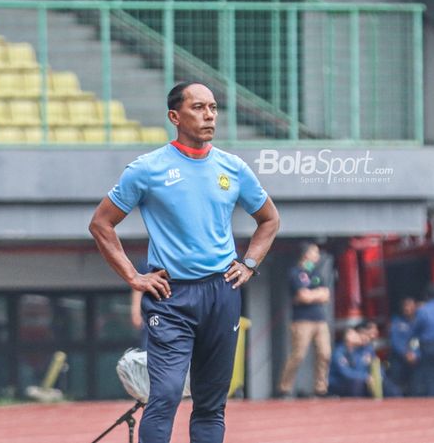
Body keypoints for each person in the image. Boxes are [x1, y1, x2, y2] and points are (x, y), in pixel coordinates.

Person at [89, 81, 280, 443]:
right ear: (174, 116)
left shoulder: (233, 168)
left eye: (213, 107)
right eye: (198, 107)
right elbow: (101, 223)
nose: (209, 115)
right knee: (165, 395)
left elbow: (269, 219)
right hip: (170, 298)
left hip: (222, 293)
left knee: (211, 403)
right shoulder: (147, 169)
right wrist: (133, 276)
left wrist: (250, 263)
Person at [277, 242, 332, 398]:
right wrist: (315, 295)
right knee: (298, 355)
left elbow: (326, 294)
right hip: (302, 321)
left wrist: (311, 295)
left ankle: (320, 389)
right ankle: (284, 388)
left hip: (320, 320)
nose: (318, 256)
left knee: (325, 353)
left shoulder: (316, 273)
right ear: (306, 254)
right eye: (315, 252)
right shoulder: (295, 272)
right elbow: (302, 296)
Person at [388, 297, 420, 395]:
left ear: (415, 307)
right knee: (397, 387)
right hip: (400, 359)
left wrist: (416, 354)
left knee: (417, 388)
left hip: (416, 360)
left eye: (410, 305)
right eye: (405, 306)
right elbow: (394, 341)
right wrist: (405, 353)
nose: (407, 308)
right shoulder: (396, 322)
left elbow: (423, 340)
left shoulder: (419, 322)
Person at [329, 327, 372, 397]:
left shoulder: (357, 352)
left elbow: (360, 369)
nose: (358, 336)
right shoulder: (339, 352)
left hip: (351, 383)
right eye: (354, 334)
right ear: (348, 337)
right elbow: (345, 373)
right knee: (357, 382)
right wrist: (365, 377)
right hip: (338, 383)